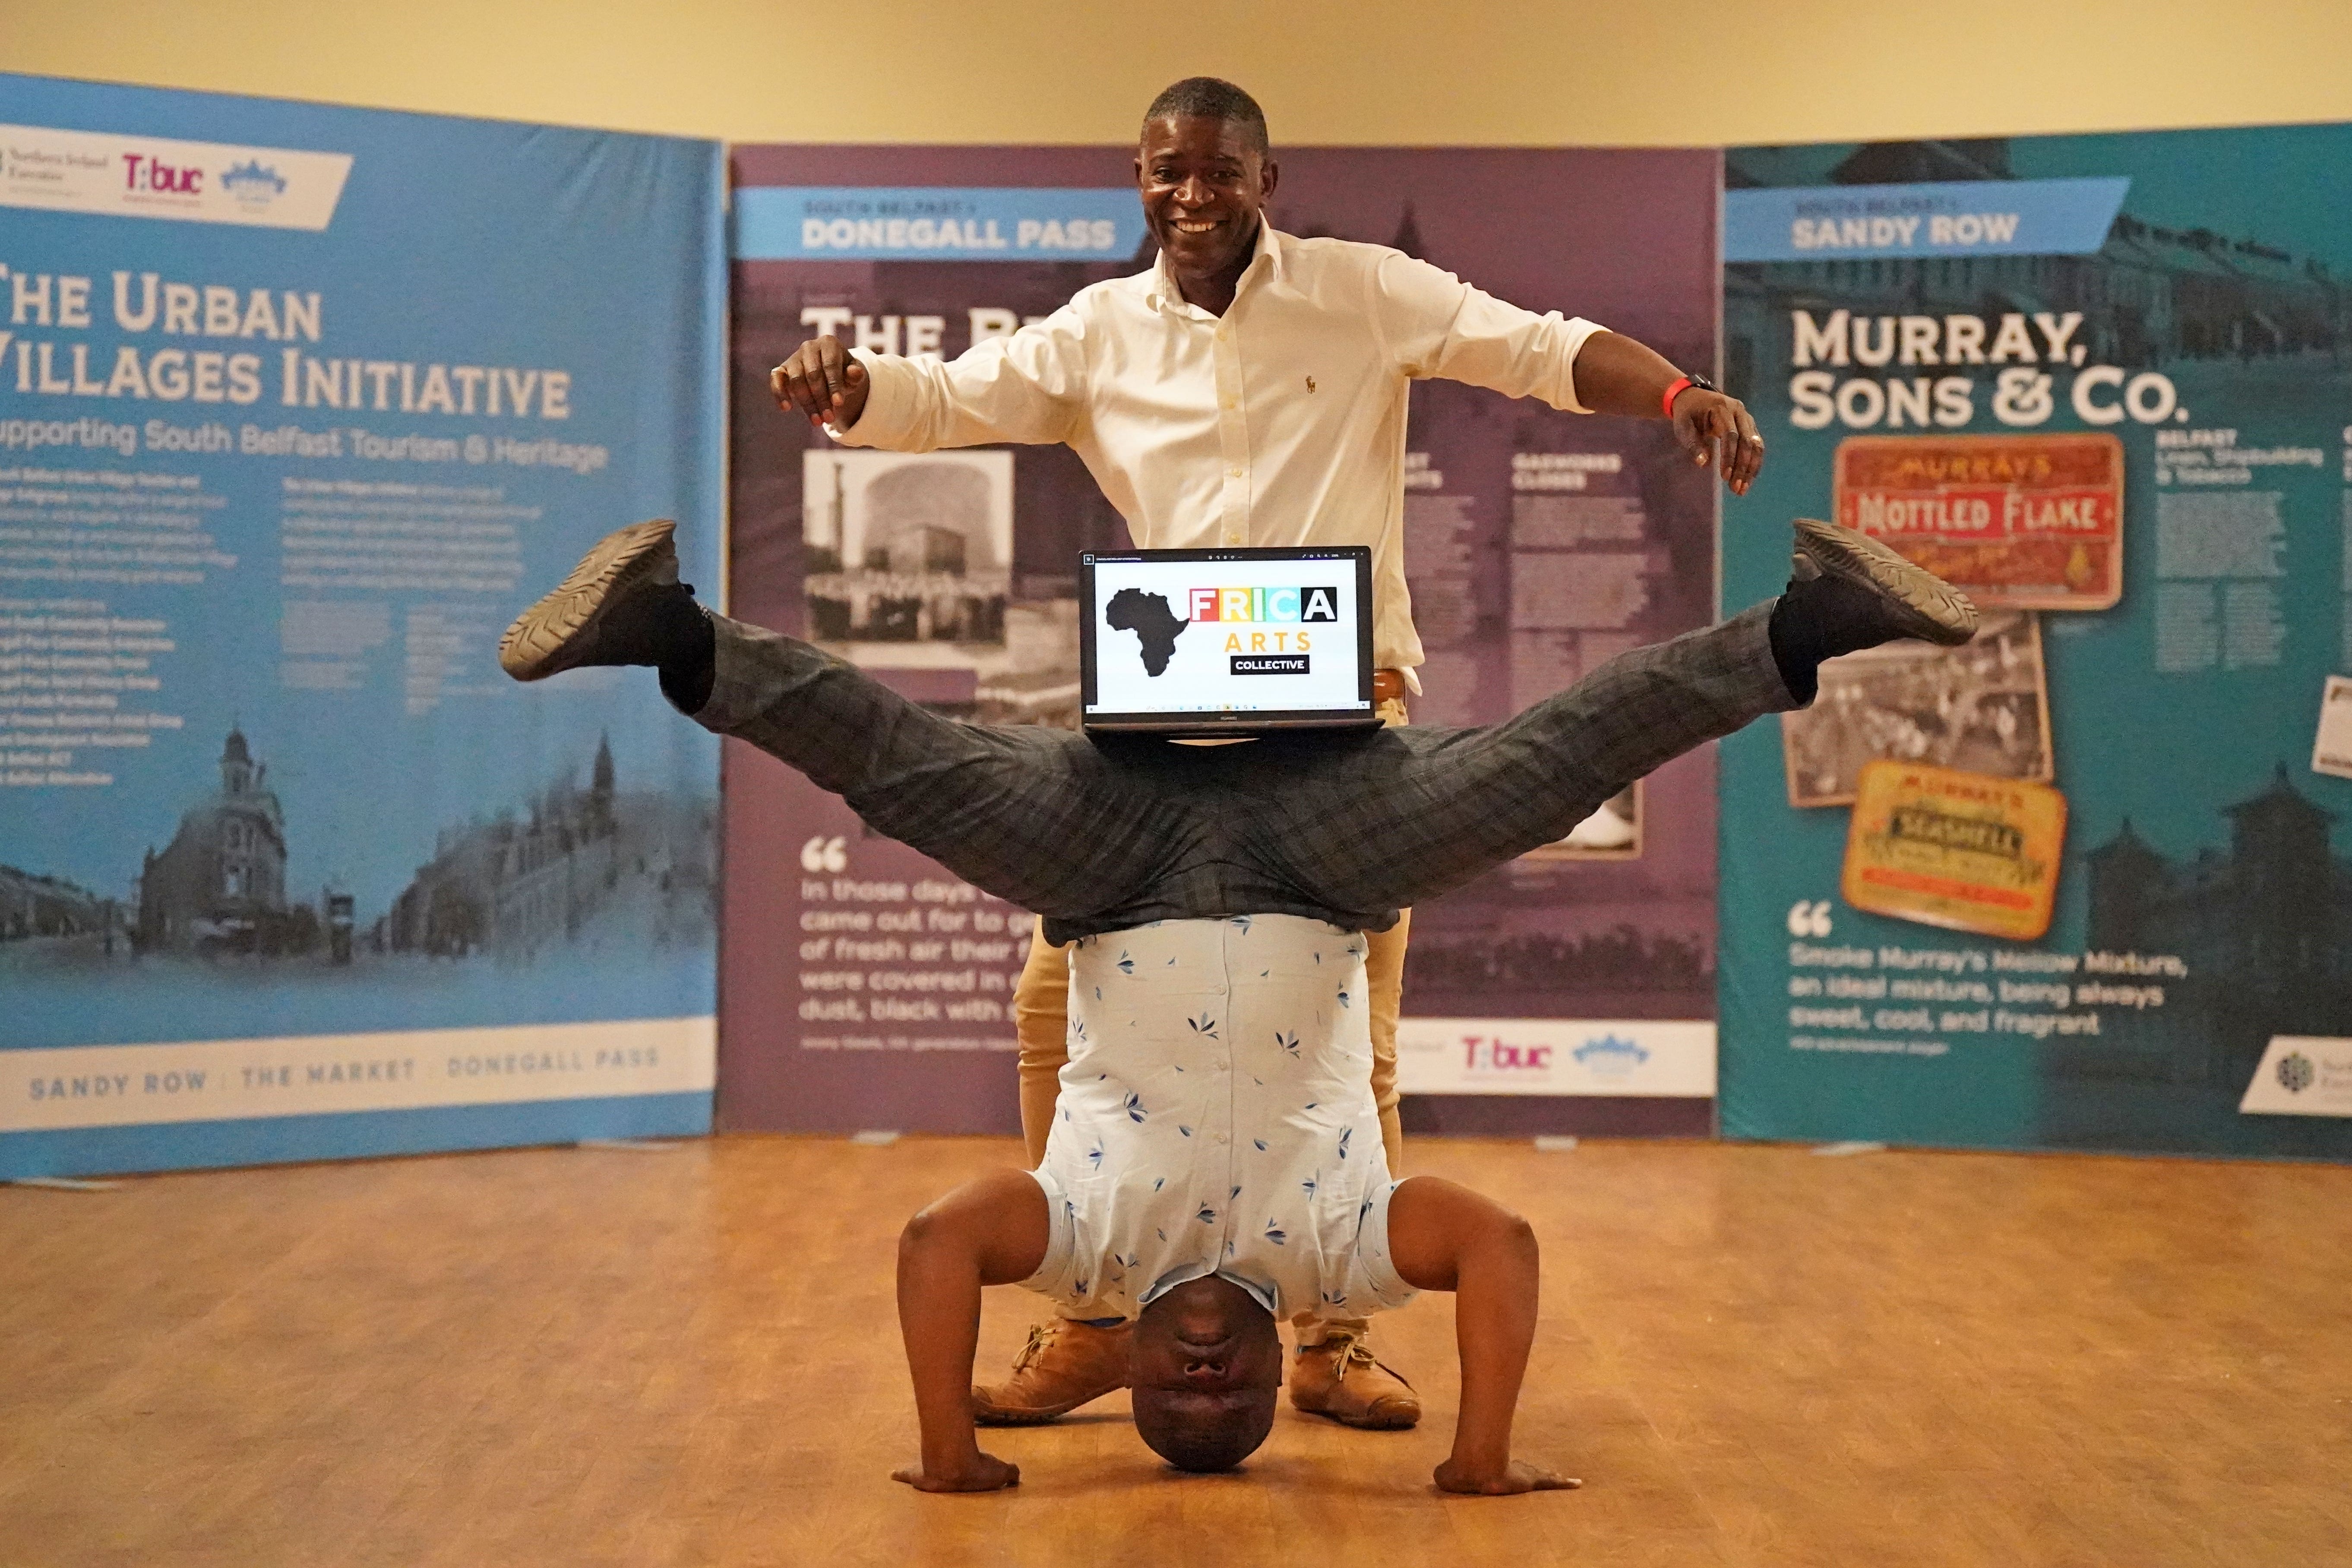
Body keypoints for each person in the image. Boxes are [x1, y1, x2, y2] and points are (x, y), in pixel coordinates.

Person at [496, 512, 1976, 1490]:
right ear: (1282, 1378)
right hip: (1329, 858)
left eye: (1175, 1398)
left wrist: (948, 1452)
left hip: (1106, 859)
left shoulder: (1079, 1256)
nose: (1202, 1378)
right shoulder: (1345, 1269)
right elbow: (1504, 1243)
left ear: (1128, 1369)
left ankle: (669, 629)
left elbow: (936, 1241)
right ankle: (1807, 620)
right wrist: (1482, 1457)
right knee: (1556, 766)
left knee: (894, 768)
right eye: (1229, 1402)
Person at [768, 75, 1768, 1426]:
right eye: (1166, 171)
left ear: (1265, 181)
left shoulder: (1360, 291)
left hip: (1343, 726)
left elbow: (1527, 346)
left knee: (1357, 1043)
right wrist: (849, 385)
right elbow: (945, 402)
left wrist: (1675, 393)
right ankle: (1092, 1320)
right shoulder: (1096, 333)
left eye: (1219, 172)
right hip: (1156, 738)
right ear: (1141, 177)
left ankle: (1335, 1342)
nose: (1191, 196)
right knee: (1052, 1018)